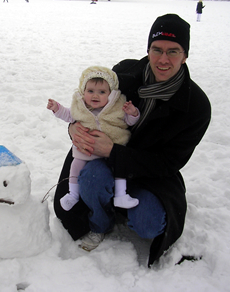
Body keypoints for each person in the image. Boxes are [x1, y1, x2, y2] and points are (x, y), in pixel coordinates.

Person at [53, 14, 211, 267]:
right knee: (92, 179)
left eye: (173, 51)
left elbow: (169, 163)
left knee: (148, 224)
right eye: (156, 50)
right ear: (148, 49)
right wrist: (73, 128)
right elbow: (90, 109)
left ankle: (124, 202)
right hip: (104, 161)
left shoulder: (196, 106)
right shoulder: (123, 74)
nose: (163, 59)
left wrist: (114, 151)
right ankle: (102, 216)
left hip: (151, 174)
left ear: (185, 55)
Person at [47, 66, 140, 215]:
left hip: (112, 147)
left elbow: (129, 122)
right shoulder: (81, 108)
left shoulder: (116, 109)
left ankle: (121, 195)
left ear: (110, 95)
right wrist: (57, 108)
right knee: (75, 165)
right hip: (87, 149)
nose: (95, 96)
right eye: (90, 91)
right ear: (83, 92)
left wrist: (133, 113)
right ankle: (73, 193)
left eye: (102, 92)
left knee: (120, 167)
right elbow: (68, 115)